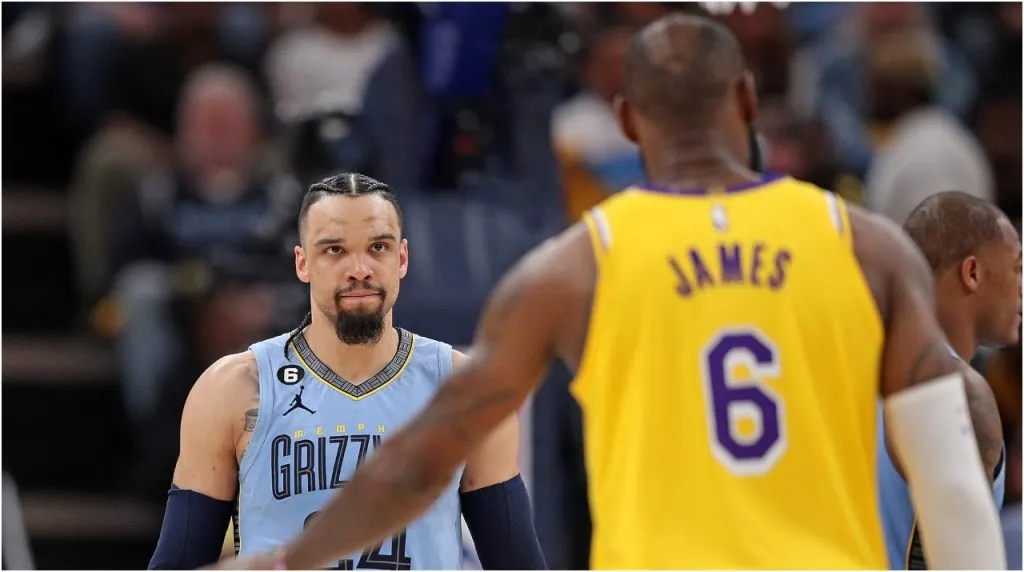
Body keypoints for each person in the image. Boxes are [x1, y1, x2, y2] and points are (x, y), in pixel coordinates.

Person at [211, 14, 1006, 570]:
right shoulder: (865, 246)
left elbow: (424, 457)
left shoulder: (572, 268)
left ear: (627, 120)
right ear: (749, 103)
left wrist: (288, 560)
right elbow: (962, 426)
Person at [148, 173, 547, 570]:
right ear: (302, 263)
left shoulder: (464, 391)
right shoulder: (232, 390)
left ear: (403, 258)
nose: (360, 268)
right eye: (335, 250)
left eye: (378, 247)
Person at [877, 191, 1021, 569]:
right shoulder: (958, 395)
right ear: (972, 273)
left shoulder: (854, 370)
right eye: (1018, 266)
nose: (1022, 286)